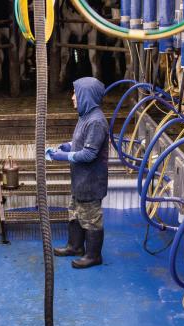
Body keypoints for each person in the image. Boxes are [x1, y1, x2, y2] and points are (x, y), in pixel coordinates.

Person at [46, 77, 109, 269]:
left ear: (86, 95)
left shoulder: (96, 121)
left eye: (76, 93)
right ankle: (75, 246)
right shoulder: (85, 117)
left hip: (91, 180)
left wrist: (62, 157)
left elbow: (89, 154)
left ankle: (93, 255)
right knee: (75, 212)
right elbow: (80, 143)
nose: (73, 97)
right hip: (81, 179)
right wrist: (65, 147)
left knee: (91, 218)